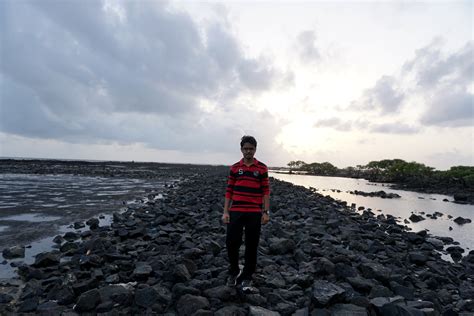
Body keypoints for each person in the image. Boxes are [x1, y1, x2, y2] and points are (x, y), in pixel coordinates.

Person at [222, 135, 270, 290]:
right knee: (231, 242)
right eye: (245, 148)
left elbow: (265, 191)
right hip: (235, 211)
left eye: (251, 149)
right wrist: (225, 212)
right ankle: (234, 270)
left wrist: (265, 212)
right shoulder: (235, 168)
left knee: (252, 244)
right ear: (241, 149)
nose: (248, 151)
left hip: (254, 212)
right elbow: (229, 190)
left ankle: (248, 274)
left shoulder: (262, 168)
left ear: (255, 150)